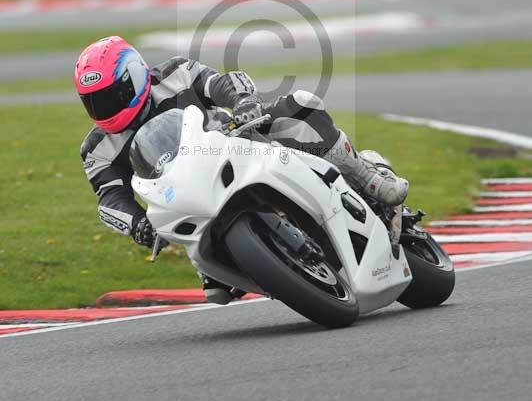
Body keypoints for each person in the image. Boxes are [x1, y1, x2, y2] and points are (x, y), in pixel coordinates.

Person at [76, 36, 408, 303]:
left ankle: (368, 175)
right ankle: (280, 268)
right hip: (187, 197)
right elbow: (109, 199)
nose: (105, 108)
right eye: (94, 101)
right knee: (217, 291)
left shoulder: (176, 74)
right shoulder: (97, 149)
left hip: (236, 142)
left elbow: (221, 84)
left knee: (300, 108)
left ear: (134, 77)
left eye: (111, 96)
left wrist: (243, 103)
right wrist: (137, 224)